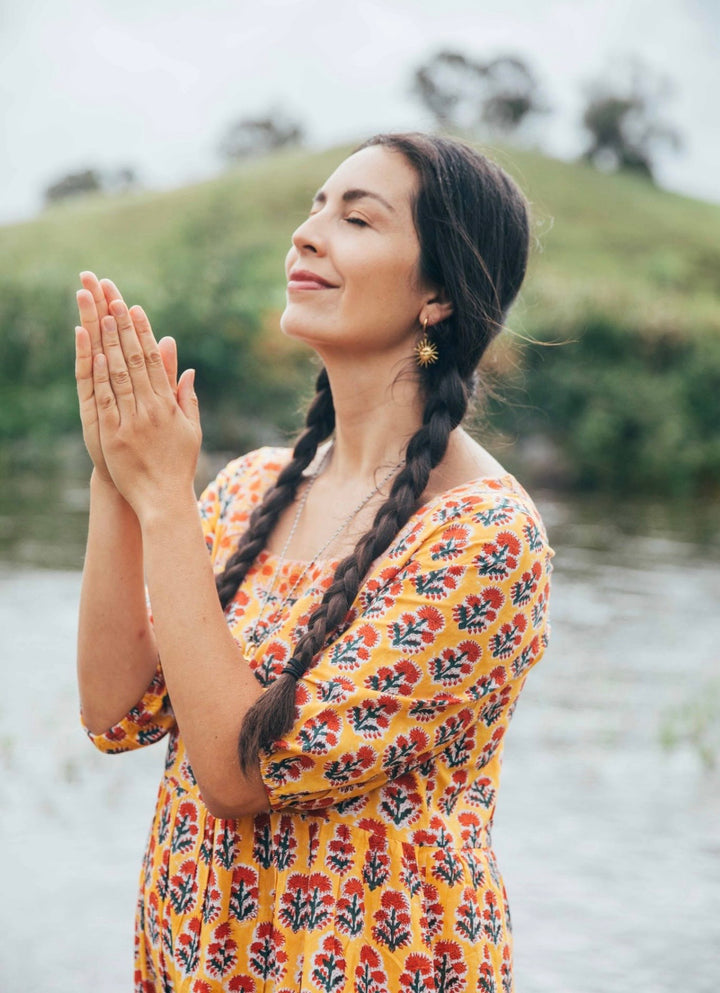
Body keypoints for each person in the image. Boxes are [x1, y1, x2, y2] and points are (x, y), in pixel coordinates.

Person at [75, 131, 553, 993]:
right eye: (314, 207)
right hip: (198, 962)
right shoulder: (253, 487)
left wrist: (163, 497)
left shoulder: (482, 537)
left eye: (357, 218)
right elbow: (115, 710)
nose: (309, 232)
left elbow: (236, 772)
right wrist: (119, 473)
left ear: (439, 293)